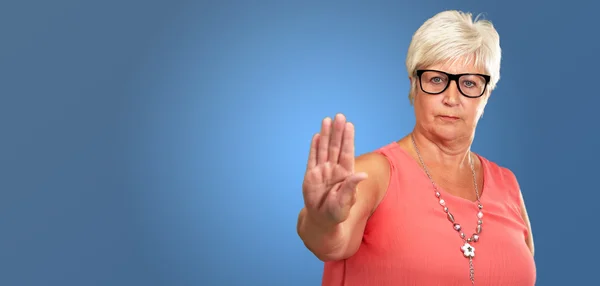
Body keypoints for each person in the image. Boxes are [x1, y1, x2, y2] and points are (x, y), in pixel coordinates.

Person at [296, 10, 536, 286]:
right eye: (436, 80)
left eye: (469, 83)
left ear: (486, 95)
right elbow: (330, 245)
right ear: (414, 86)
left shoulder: (507, 185)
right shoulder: (374, 174)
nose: (451, 97)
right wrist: (321, 220)